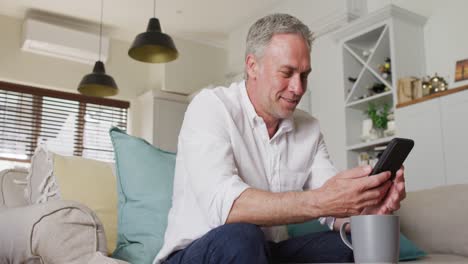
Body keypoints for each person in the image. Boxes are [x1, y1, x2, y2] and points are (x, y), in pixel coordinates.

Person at [154, 13, 406, 264]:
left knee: (353, 246)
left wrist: (365, 212)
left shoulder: (309, 128)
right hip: (197, 252)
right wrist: (320, 201)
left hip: (263, 251)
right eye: (287, 73)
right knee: (241, 236)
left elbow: (333, 206)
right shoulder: (210, 107)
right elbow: (227, 207)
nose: (298, 88)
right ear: (252, 66)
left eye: (304, 75)